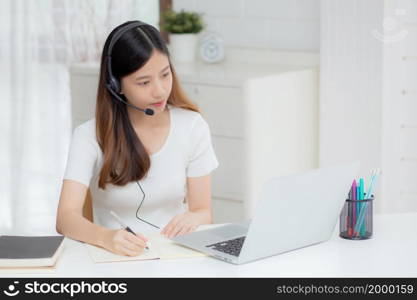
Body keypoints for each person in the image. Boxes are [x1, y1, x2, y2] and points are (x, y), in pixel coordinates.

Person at [56, 20, 219, 257]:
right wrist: (105, 238)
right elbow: (65, 218)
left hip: (175, 255)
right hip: (113, 257)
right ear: (115, 85)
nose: (160, 90)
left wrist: (193, 218)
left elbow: (203, 211)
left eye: (165, 75)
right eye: (144, 82)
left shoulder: (192, 126)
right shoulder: (89, 136)